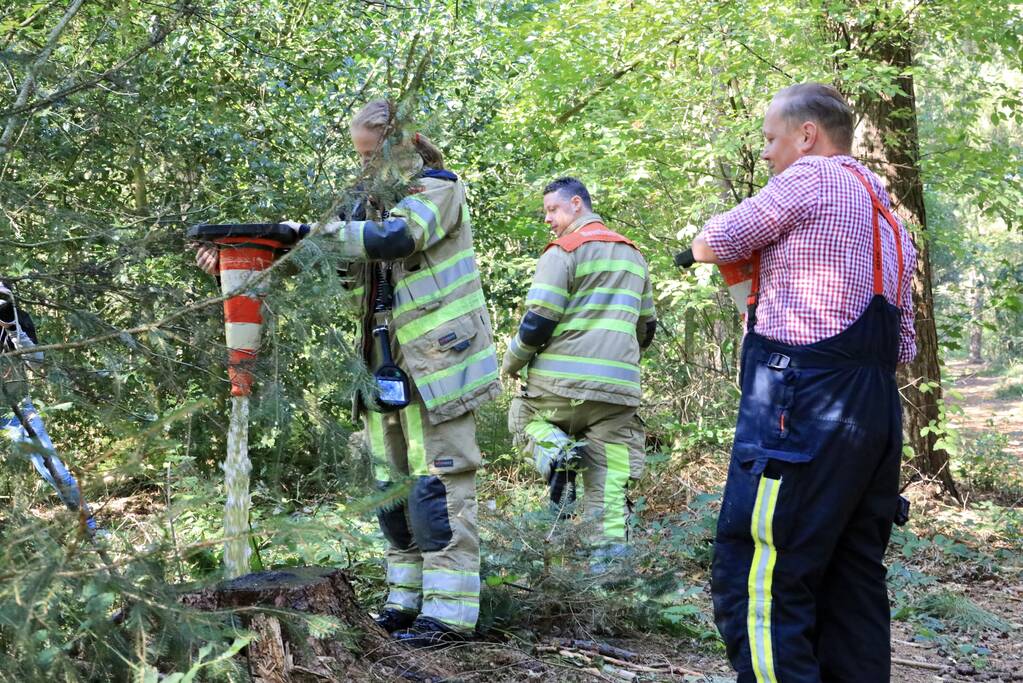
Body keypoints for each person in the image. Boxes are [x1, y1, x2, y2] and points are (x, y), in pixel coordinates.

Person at [195, 100, 500, 647]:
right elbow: (337, 268)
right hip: (382, 363)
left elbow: (396, 240)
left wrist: (303, 230)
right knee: (391, 490)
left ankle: (450, 614)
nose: (365, 166)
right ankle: (403, 602)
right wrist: (247, 256)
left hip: (439, 363)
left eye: (371, 154)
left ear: (401, 143)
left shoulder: (438, 188)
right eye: (360, 156)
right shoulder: (364, 206)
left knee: (439, 486)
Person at [686, 83, 917, 682]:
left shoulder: (810, 178)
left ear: (807, 134)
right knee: (851, 579)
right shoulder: (890, 217)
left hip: (801, 405)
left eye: (770, 139)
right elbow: (906, 346)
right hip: (875, 415)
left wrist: (696, 246)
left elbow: (719, 242)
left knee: (760, 571)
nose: (765, 154)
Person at [502, 177, 655, 567]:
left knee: (524, 417)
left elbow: (538, 321)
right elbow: (646, 328)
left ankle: (557, 454)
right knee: (608, 492)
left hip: (558, 389)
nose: (548, 219)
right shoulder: (633, 254)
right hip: (617, 395)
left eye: (552, 210)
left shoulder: (563, 251)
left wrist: (511, 362)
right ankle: (606, 586)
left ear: (575, 204)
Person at [1, 279, 97, 534]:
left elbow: (36, 362)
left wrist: (13, 326)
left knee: (52, 468)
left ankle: (89, 529)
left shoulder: (17, 318)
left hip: (15, 408)